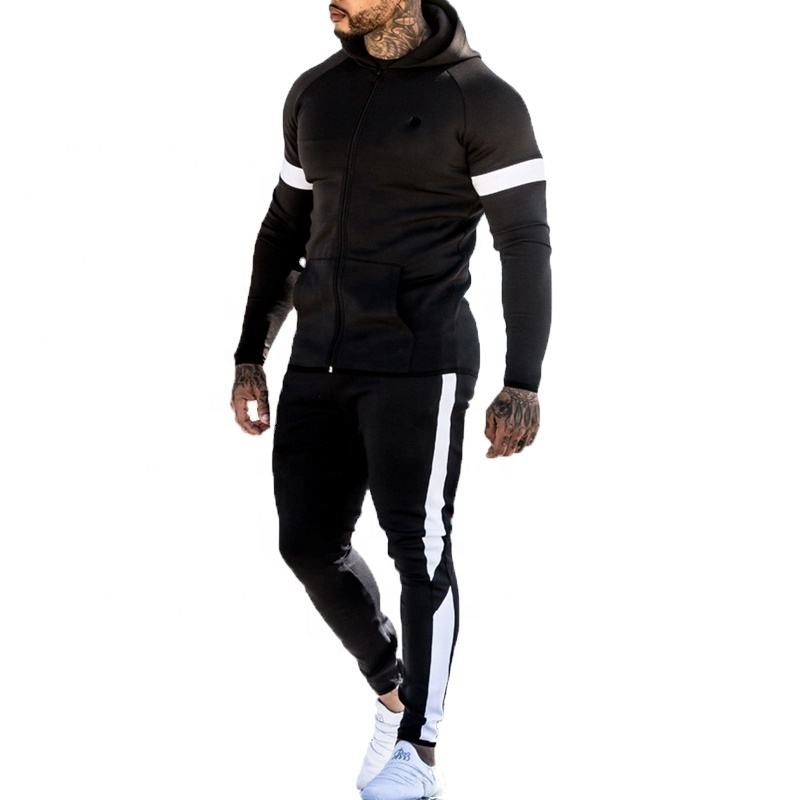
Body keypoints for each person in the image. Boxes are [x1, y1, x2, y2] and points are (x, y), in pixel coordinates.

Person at [230, 1, 551, 797]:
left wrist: (523, 381)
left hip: (421, 359)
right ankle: (394, 690)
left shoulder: (483, 100)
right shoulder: (316, 92)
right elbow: (283, 231)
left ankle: (420, 752)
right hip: (320, 357)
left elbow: (524, 243)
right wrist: (250, 355)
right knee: (307, 546)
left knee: (420, 549)